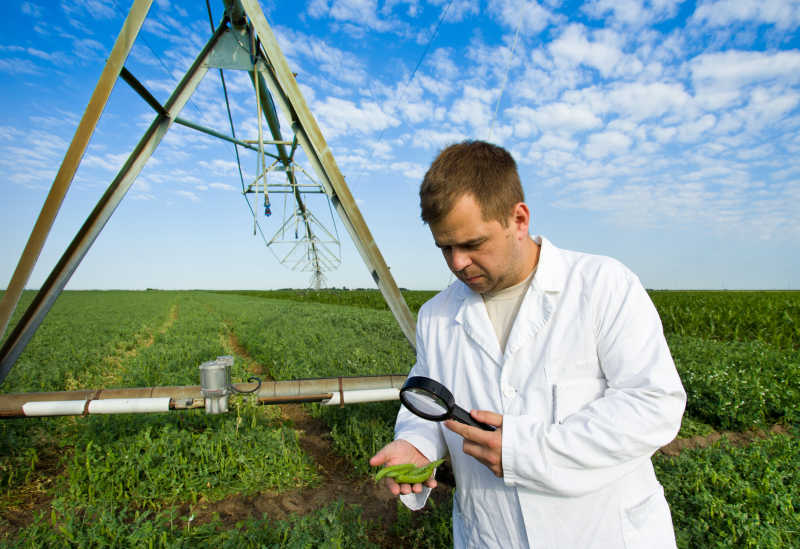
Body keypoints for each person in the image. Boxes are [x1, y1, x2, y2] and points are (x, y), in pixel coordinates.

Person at [369, 140, 687, 548]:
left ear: (518, 219)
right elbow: (429, 400)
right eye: (445, 247)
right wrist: (415, 442)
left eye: (472, 244)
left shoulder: (602, 285)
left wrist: (527, 453)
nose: (456, 263)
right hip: (490, 535)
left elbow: (653, 404)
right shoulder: (437, 315)